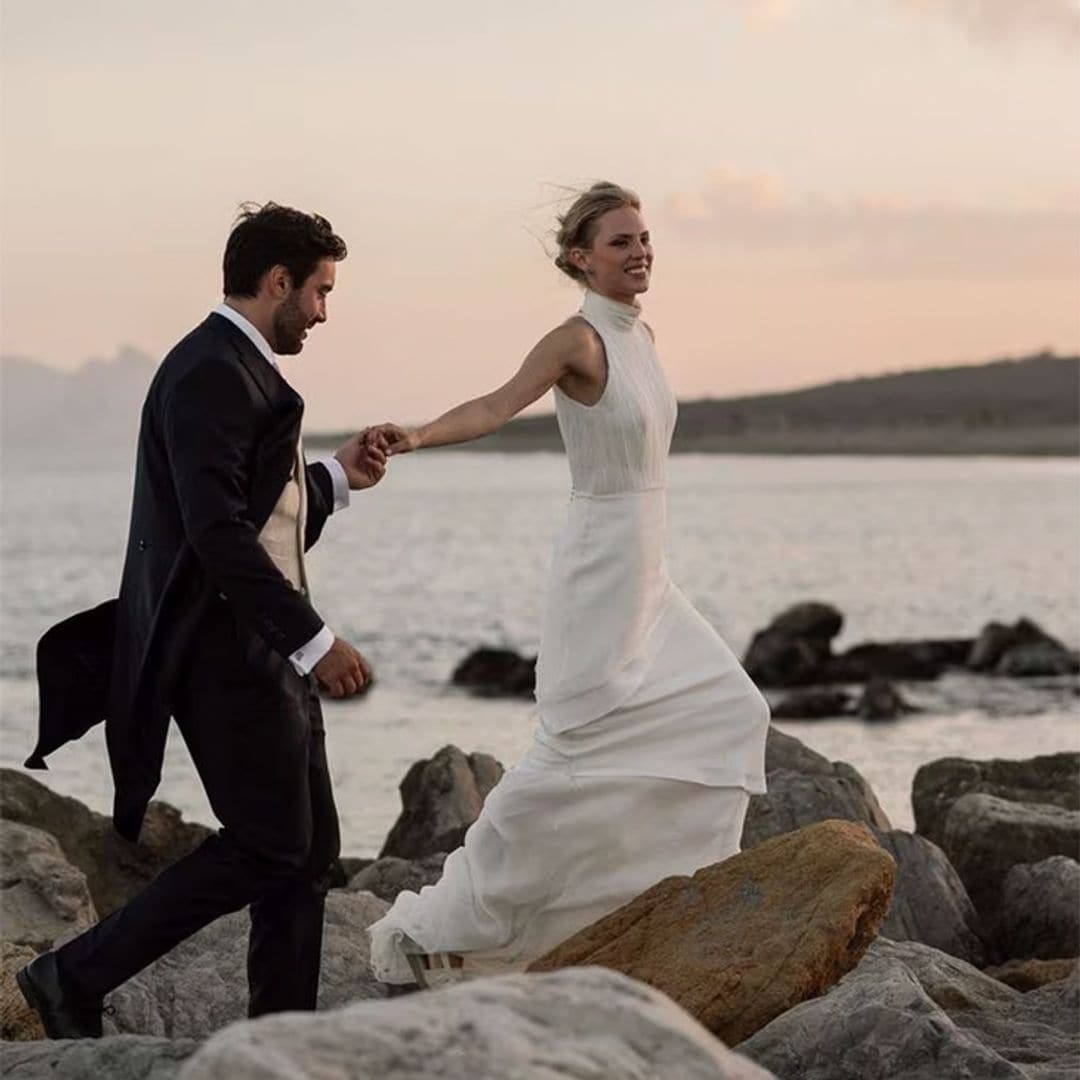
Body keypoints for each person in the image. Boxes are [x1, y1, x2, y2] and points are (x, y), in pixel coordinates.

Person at [364, 182, 771, 987]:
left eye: (645, 238)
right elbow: (493, 405)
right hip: (600, 562)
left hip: (648, 561)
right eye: (621, 242)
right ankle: (446, 925)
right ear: (581, 258)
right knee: (574, 746)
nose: (641, 251)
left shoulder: (642, 334)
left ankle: (650, 897)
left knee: (731, 708)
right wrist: (416, 435)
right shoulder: (576, 341)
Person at [19, 202, 386, 1036]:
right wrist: (315, 641)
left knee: (308, 852)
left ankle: (281, 1039)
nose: (324, 313)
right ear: (277, 281)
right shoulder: (210, 371)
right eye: (321, 292)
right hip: (224, 650)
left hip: (264, 648)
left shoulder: (238, 366)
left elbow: (259, 507)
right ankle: (70, 974)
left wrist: (336, 474)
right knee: (269, 845)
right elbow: (214, 533)